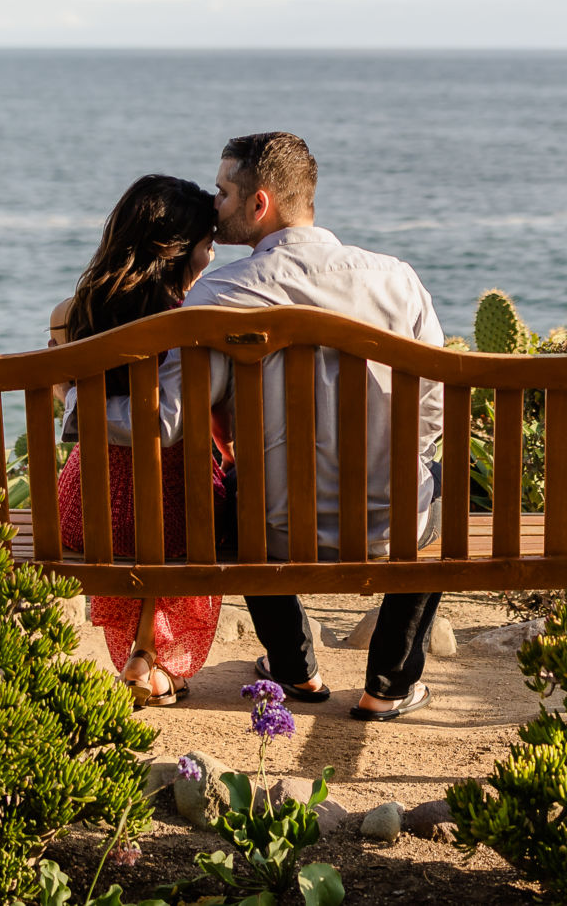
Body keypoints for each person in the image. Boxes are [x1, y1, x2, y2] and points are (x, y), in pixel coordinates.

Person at [182, 131, 446, 722]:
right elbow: (435, 402)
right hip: (392, 526)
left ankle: (296, 668)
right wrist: (407, 462)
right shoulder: (397, 280)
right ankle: (389, 684)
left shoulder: (221, 292)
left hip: (273, 529)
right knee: (436, 486)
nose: (213, 204)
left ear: (260, 204)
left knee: (239, 493)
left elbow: (200, 401)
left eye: (222, 193)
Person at [47, 174, 227, 708]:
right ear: (179, 253)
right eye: (207, 245)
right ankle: (150, 656)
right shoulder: (190, 326)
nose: (212, 257)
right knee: (186, 509)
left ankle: (139, 652)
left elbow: (64, 396)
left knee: (140, 511)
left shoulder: (70, 317)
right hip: (181, 516)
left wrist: (77, 402)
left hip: (87, 506)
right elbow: (184, 423)